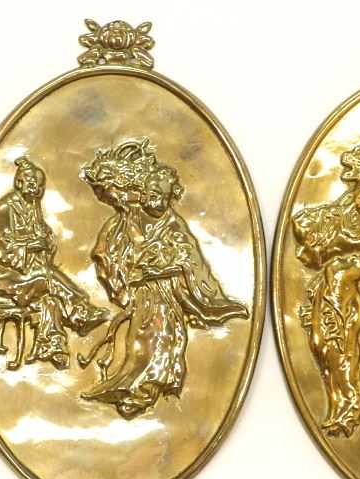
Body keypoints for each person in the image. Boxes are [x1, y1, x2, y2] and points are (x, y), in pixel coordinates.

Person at [80, 141, 247, 418]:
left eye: (163, 196)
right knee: (142, 339)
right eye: (153, 194)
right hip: (143, 295)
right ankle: (136, 387)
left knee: (165, 337)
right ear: (143, 192)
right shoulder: (124, 222)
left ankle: (148, 389)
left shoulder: (173, 226)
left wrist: (157, 271)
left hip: (166, 295)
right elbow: (107, 253)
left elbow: (188, 260)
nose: (157, 201)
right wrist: (124, 281)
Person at [0, 156, 107, 368]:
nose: (37, 189)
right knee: (45, 278)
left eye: (40, 185)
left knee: (50, 301)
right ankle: (80, 311)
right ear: (19, 183)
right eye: (32, 184)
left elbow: (42, 234)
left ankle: (52, 348)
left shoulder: (30, 206)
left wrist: (46, 239)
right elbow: (3, 250)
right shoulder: (1, 211)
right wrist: (35, 244)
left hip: (24, 270)